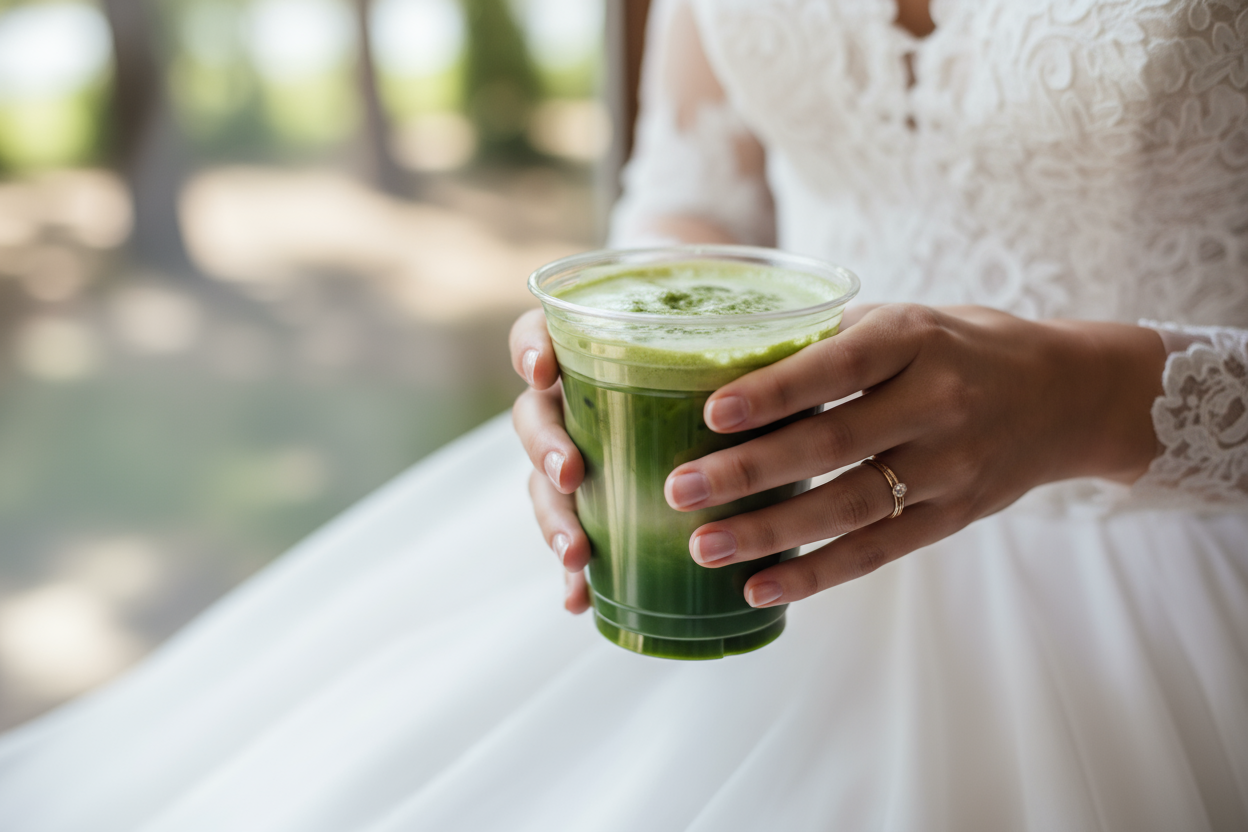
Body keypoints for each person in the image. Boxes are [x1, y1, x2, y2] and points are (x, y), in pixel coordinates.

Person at [2, 1, 1245, 829]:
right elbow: (691, 194)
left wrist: (1094, 396)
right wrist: (602, 356)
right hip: (750, 524)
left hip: (1171, 570)